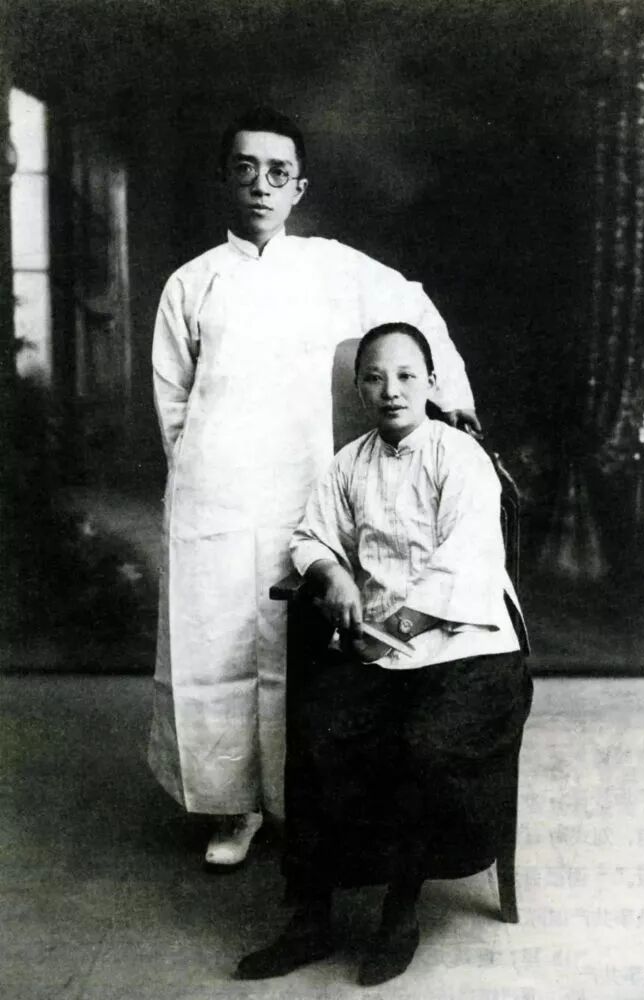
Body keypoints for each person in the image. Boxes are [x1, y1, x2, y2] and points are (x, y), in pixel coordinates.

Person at [148, 108, 480, 868]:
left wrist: (450, 399)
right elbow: (172, 402)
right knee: (212, 642)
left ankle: (296, 798)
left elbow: (411, 307)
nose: (260, 186)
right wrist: (194, 476)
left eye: (278, 173)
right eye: (245, 169)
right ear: (225, 179)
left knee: (295, 643)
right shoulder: (191, 283)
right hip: (213, 493)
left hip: (300, 487)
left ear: (299, 188)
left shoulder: (329, 268)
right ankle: (230, 809)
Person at [235, 323, 532, 986]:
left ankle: (401, 910)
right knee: (317, 734)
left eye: (405, 376)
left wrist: (391, 628)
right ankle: (312, 916)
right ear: (359, 388)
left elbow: (464, 568)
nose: (390, 390)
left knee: (424, 746)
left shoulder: (459, 457)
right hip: (382, 646)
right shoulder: (350, 463)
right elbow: (310, 536)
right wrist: (333, 575)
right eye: (374, 377)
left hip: (468, 645)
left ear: (431, 383)